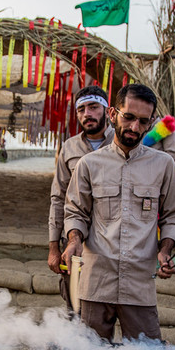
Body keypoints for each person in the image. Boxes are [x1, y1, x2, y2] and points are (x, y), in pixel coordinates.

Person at [61, 84, 175, 342]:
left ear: (152, 122)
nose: (134, 128)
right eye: (128, 117)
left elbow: (174, 214)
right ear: (113, 114)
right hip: (96, 283)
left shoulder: (164, 165)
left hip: (139, 285)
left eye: (143, 121)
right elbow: (75, 212)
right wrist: (74, 240)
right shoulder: (89, 164)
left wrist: (165, 250)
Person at [48, 86, 115, 309]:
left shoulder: (122, 142)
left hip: (112, 239)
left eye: (94, 107)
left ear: (108, 111)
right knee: (73, 300)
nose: (87, 114)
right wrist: (54, 247)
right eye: (81, 109)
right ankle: (73, 341)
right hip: (74, 238)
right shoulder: (69, 147)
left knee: (109, 302)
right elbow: (58, 198)